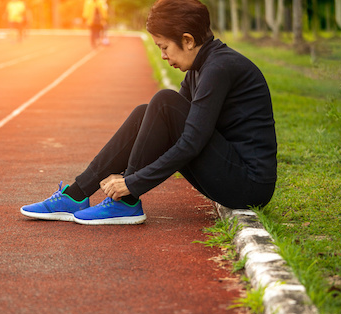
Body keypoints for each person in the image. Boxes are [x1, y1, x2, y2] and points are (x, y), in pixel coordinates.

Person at [20, 0, 277, 225]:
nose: (163, 55)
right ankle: (76, 195)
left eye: (164, 47)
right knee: (148, 111)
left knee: (164, 101)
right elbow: (170, 128)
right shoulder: (200, 67)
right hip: (230, 171)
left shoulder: (219, 68)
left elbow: (191, 143)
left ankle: (127, 200)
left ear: (187, 40)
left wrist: (132, 182)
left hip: (248, 185)